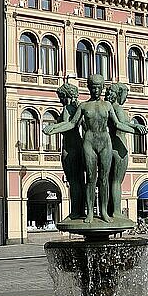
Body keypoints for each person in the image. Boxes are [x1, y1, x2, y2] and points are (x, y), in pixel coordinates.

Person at [43, 74, 147, 223]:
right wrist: (53, 128)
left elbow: (118, 124)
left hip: (105, 143)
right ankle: (90, 212)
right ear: (89, 88)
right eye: (93, 87)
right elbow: (72, 124)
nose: (96, 90)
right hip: (89, 143)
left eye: (98, 87)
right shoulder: (84, 106)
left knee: (104, 179)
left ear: (102, 88)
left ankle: (104, 211)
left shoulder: (108, 105)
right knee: (91, 179)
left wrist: (135, 128)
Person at [105, 82, 135, 218]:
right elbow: (120, 125)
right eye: (125, 94)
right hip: (119, 147)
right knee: (116, 182)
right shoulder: (117, 108)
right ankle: (117, 211)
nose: (126, 98)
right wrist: (135, 129)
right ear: (119, 94)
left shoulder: (108, 108)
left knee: (110, 181)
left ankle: (110, 210)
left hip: (110, 147)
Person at [56, 83, 85, 219]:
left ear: (65, 96)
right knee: (79, 181)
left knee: (74, 182)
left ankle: (75, 212)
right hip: (79, 146)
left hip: (70, 147)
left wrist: (53, 128)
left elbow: (68, 125)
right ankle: (80, 211)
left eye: (60, 97)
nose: (60, 100)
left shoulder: (68, 109)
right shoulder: (78, 108)